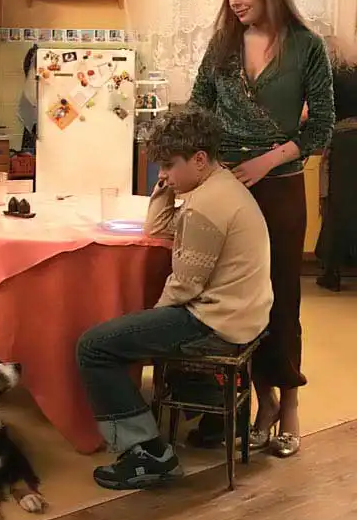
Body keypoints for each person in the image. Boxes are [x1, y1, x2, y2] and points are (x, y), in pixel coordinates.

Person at [187, 0, 335, 457]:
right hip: (225, 191)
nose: (234, 0)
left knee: (282, 298)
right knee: (237, 302)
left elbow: (321, 126)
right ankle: (261, 401)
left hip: (280, 188)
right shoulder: (222, 47)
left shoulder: (307, 47)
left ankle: (289, 405)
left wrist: (267, 161)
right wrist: (191, 165)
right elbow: (198, 110)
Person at [76, 107, 273, 491]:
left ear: (199, 159)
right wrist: (167, 186)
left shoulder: (205, 205)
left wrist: (148, 326)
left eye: (168, 165)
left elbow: (183, 287)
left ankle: (148, 453)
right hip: (244, 313)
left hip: (217, 321)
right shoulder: (220, 186)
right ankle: (212, 411)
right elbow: (158, 228)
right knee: (128, 334)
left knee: (94, 347)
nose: (161, 173)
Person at [315, 36, 357, 291]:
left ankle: (332, 272)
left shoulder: (329, 76)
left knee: (336, 205)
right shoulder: (354, 72)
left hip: (344, 144)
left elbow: (314, 113)